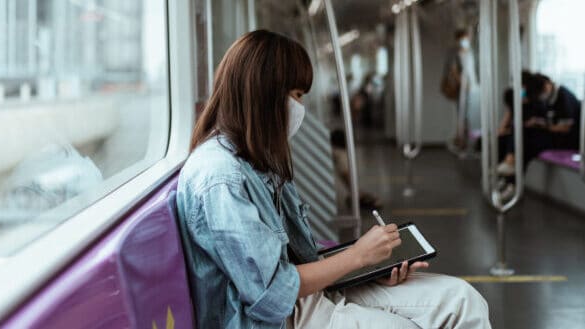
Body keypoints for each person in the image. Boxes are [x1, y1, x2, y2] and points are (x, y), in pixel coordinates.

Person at [176, 30, 491, 329]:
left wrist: (368, 269)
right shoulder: (221, 178)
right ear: (265, 93)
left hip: (309, 295)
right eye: (296, 95)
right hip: (277, 319)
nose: (300, 107)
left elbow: (298, 259)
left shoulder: (256, 160)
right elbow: (269, 296)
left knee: (462, 300)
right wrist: (357, 256)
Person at [497, 73, 581, 176]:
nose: (540, 96)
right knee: (521, 134)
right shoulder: (550, 97)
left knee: (526, 141)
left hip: (566, 140)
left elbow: (565, 128)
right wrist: (539, 122)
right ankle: (510, 170)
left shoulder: (563, 97)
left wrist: (543, 125)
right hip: (554, 135)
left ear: (546, 85)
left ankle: (511, 171)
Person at [442, 29, 478, 150]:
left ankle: (464, 139)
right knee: (462, 113)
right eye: (463, 39)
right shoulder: (454, 53)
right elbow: (453, 70)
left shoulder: (470, 52)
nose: (465, 41)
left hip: (471, 86)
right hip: (462, 88)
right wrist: (462, 83)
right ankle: (461, 140)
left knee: (468, 114)